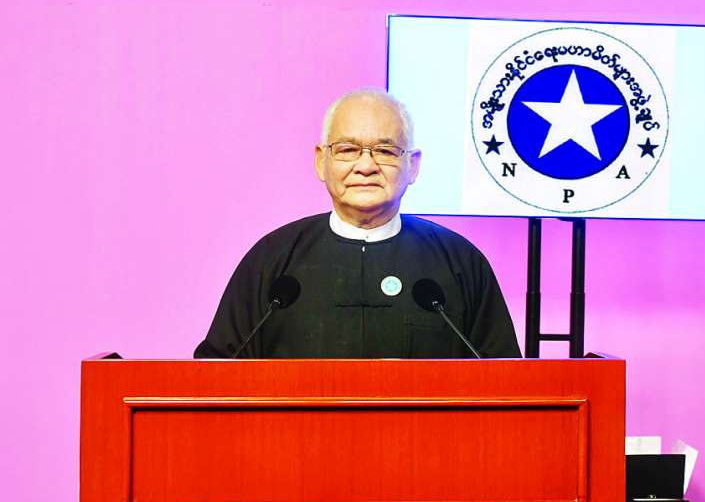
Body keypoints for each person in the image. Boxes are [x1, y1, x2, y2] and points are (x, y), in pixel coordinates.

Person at [194, 89, 521, 359]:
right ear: (321, 161)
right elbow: (215, 375)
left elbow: (505, 383)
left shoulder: (460, 263)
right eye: (348, 149)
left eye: (385, 151)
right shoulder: (273, 260)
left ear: (412, 165)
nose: (366, 166)